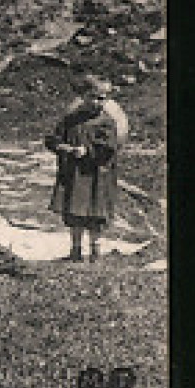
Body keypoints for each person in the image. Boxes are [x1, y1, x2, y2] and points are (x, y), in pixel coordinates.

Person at [44, 74, 122, 262]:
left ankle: (95, 252)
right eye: (92, 97)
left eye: (101, 99)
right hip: (75, 174)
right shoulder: (71, 120)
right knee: (74, 213)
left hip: (96, 175)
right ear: (83, 96)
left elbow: (109, 147)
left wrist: (87, 151)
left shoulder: (106, 122)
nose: (96, 102)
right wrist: (61, 147)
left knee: (95, 215)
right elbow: (53, 138)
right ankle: (75, 251)